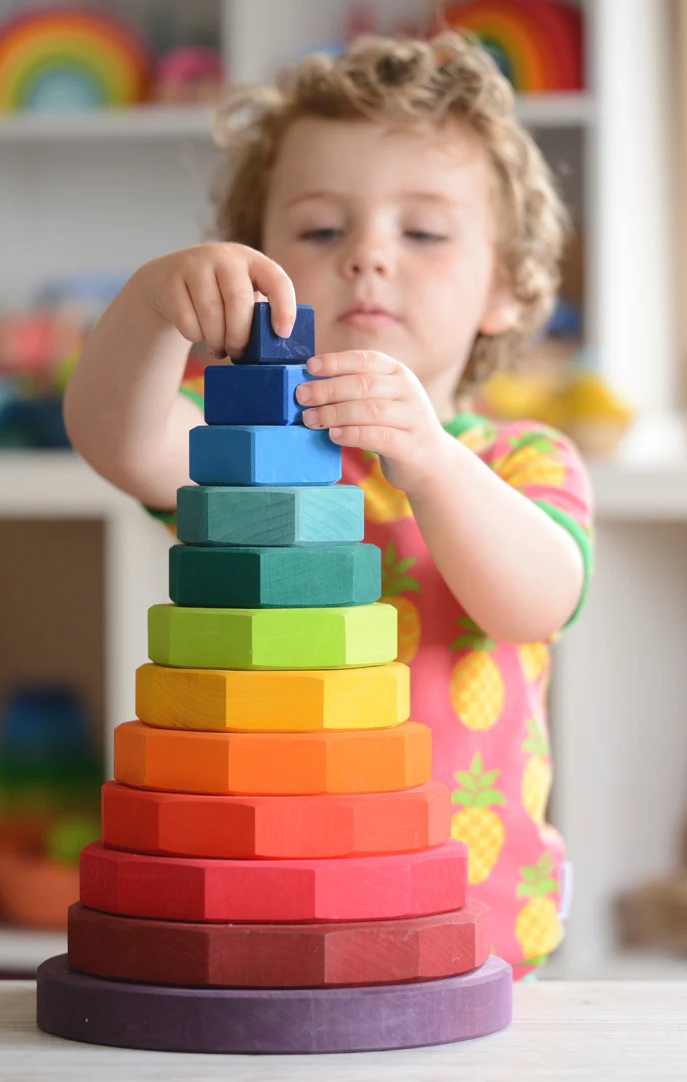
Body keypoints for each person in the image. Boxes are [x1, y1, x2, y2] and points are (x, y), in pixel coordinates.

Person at [63, 31, 594, 980]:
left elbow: (536, 602)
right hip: (273, 920)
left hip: (480, 936)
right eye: (318, 231)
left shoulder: (519, 459)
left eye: (422, 232)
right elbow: (120, 439)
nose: (368, 257)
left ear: (509, 289)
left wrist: (430, 459)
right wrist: (151, 307)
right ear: (258, 268)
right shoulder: (253, 448)